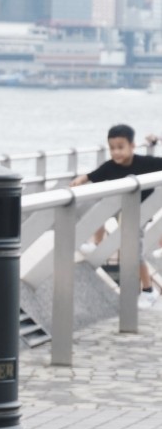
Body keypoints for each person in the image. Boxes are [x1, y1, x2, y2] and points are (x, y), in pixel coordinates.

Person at [71, 123, 162, 308]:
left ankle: (148, 291)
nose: (116, 152)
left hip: (139, 213)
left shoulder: (145, 163)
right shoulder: (110, 166)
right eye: (112, 148)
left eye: (120, 147)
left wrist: (157, 140)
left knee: (134, 253)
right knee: (100, 209)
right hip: (118, 208)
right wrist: (80, 180)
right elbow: (92, 175)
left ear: (132, 146)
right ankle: (96, 243)